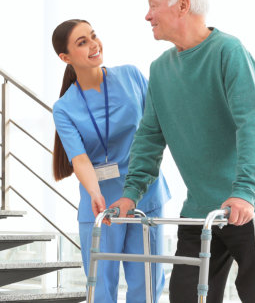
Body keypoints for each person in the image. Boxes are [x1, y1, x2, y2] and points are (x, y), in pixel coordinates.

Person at [110, 0, 255, 303]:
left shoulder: (228, 51)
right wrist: (131, 193)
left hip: (252, 203)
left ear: (182, 5)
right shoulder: (160, 69)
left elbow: (250, 124)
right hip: (201, 207)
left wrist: (244, 193)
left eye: (153, 6)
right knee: (186, 295)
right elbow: (150, 136)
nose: (147, 15)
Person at [51, 19, 170, 303]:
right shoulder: (65, 107)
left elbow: (159, 125)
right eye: (82, 42)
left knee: (147, 287)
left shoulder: (131, 76)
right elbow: (80, 160)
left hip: (146, 197)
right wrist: (94, 192)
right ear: (65, 58)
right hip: (100, 207)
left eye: (93, 36)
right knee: (101, 290)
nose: (94, 45)